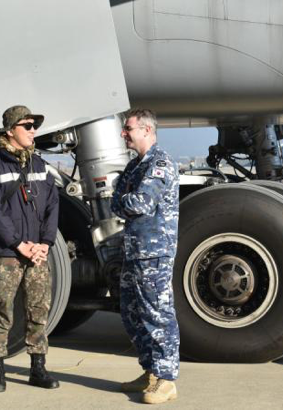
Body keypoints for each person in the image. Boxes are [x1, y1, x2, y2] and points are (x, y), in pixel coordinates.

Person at [0, 105, 60, 392]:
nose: (33, 130)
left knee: (39, 311)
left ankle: (38, 369)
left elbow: (52, 206)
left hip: (36, 253)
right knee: (2, 311)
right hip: (7, 254)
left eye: (34, 125)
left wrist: (45, 244)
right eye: (27, 125)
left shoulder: (41, 166)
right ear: (10, 130)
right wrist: (18, 244)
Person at [110, 108, 180, 404]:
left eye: (128, 129)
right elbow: (117, 203)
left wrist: (122, 199)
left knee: (157, 314)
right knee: (132, 313)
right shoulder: (135, 166)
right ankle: (150, 371)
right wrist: (122, 200)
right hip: (135, 251)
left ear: (147, 131)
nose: (123, 134)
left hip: (154, 254)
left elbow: (138, 203)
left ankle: (166, 380)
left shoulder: (159, 164)